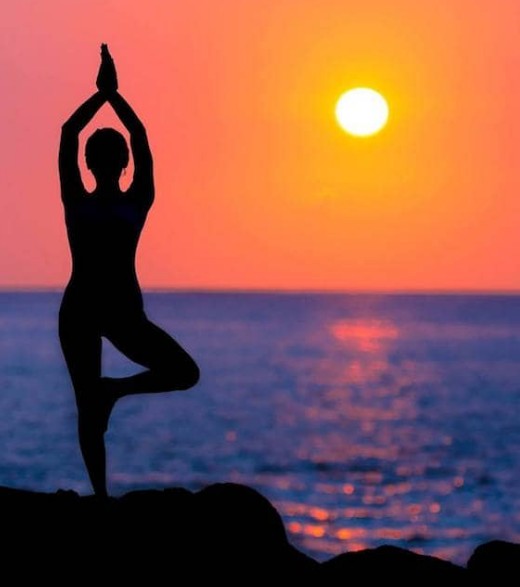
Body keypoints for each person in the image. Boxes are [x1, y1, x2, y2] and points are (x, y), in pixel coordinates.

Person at [58, 44, 200, 496]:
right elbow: (138, 135)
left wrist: (101, 95)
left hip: (98, 309)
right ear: (122, 163)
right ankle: (112, 402)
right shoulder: (134, 201)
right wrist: (113, 94)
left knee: (90, 403)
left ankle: (101, 488)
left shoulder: (79, 201)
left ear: (90, 163)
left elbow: (68, 132)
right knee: (181, 373)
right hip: (103, 310)